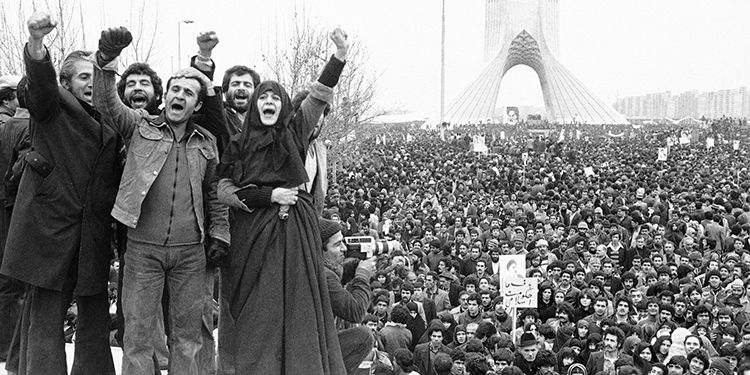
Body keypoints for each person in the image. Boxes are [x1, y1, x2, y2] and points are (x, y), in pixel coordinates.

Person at [91, 26, 230, 374]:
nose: (178, 95)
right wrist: (106, 61)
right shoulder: (140, 126)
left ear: (197, 104)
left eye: (187, 92)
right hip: (142, 249)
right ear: (165, 96)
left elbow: (214, 195)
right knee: (137, 338)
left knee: (186, 339)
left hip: (190, 253)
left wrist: (220, 235)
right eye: (174, 89)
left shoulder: (206, 141)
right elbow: (107, 102)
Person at [215, 27, 349, 374]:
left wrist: (339, 56)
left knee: (297, 309)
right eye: (263, 98)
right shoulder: (237, 143)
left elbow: (319, 94)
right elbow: (223, 189)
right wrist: (268, 195)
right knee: (256, 311)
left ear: (284, 105)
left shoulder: (296, 132)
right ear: (256, 107)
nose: (269, 102)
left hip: (294, 235)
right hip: (250, 235)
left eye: (276, 98)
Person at [0, 12, 120, 374]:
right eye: (84, 76)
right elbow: (40, 85)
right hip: (50, 231)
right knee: (47, 320)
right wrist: (36, 45)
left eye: (95, 77)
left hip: (91, 234)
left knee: (94, 318)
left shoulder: (110, 117)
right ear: (65, 82)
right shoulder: (52, 108)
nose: (91, 83)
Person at [319, 217, 377, 373]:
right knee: (364, 337)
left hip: (311, 343)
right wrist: (363, 274)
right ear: (320, 249)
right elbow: (356, 312)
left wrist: (354, 266)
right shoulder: (325, 275)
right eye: (337, 244)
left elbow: (335, 283)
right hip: (318, 351)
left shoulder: (316, 268)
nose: (344, 248)